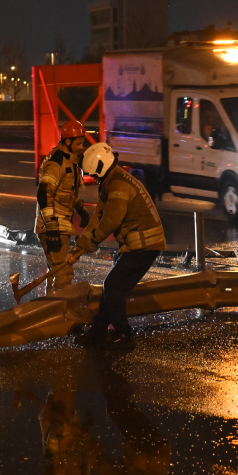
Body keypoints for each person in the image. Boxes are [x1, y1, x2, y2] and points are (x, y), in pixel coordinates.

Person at [66, 143, 165, 350]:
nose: (95, 179)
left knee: (113, 287)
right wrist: (80, 246)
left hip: (144, 245)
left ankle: (124, 335)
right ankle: (98, 332)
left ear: (101, 167)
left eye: (95, 175)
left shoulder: (119, 185)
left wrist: (92, 243)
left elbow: (110, 221)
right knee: (111, 287)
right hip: (135, 245)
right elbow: (97, 219)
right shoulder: (111, 181)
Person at [36, 121, 90, 290]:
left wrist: (82, 211)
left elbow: (67, 193)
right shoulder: (56, 162)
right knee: (63, 274)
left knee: (56, 273)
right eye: (79, 143)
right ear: (68, 142)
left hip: (60, 226)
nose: (82, 147)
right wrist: (51, 226)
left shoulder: (70, 162)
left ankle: (50, 308)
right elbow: (44, 194)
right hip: (54, 228)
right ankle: (62, 313)